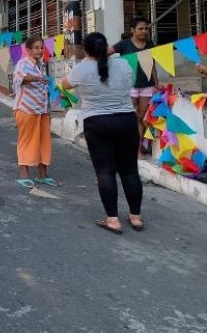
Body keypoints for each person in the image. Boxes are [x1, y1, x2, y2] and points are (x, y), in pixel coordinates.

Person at [61, 32, 144, 234]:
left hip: (97, 123)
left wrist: (86, 62)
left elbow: (65, 84)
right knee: (130, 170)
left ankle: (113, 220)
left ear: (86, 50)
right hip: (126, 120)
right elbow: (130, 82)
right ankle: (135, 217)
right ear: (106, 47)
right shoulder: (124, 65)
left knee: (105, 171)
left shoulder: (80, 69)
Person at [12, 35, 56, 189]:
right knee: (26, 140)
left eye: (41, 47)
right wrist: (37, 78)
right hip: (26, 109)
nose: (39, 50)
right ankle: (24, 174)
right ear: (28, 50)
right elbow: (20, 78)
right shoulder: (22, 63)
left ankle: (42, 174)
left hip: (42, 110)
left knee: (44, 142)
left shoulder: (42, 64)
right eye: (36, 48)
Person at [111, 17, 157, 158]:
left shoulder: (150, 44)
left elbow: (152, 65)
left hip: (147, 86)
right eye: (140, 28)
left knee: (141, 117)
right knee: (128, 118)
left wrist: (156, 82)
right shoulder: (124, 44)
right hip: (129, 86)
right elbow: (104, 54)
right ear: (132, 30)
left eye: (146, 28)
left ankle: (137, 149)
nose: (144, 31)